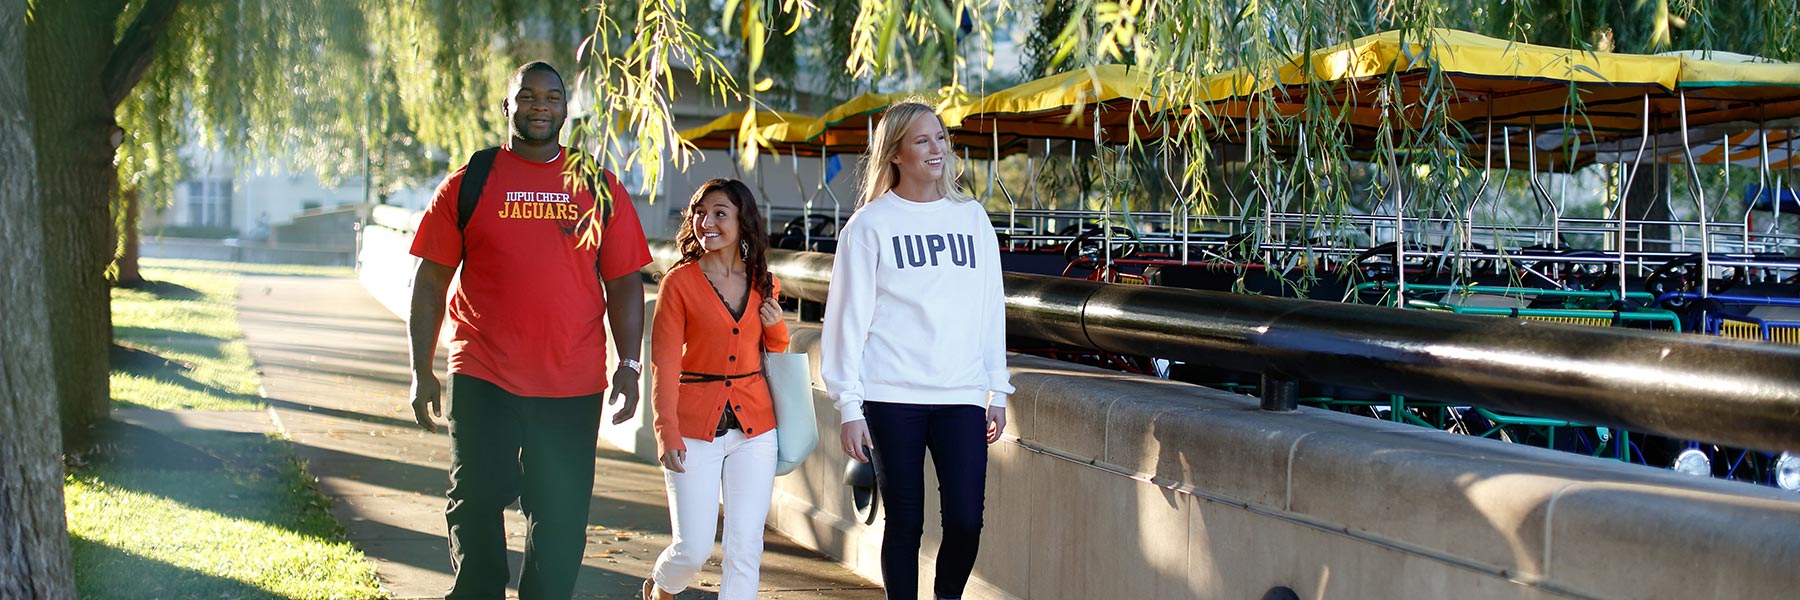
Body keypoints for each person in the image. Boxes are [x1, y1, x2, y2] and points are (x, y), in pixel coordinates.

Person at [407, 61, 651, 600]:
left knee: (560, 512)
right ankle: (476, 592)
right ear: (507, 107)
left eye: (552, 97)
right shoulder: (471, 181)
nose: (540, 105)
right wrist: (420, 368)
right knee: (474, 496)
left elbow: (625, 283)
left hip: (571, 378)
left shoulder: (597, 185)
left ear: (566, 109)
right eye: (528, 96)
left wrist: (630, 365)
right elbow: (430, 282)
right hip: (483, 370)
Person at [822, 101, 1013, 600]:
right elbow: (846, 322)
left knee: (967, 522)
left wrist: (999, 389)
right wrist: (848, 404)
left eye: (941, 138)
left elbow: (991, 310)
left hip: (962, 393)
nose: (937, 149)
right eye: (922, 141)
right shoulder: (869, 227)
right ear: (896, 155)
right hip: (890, 396)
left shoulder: (972, 219)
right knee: (905, 521)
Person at [640, 178, 790, 600]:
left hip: (755, 429)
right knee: (694, 548)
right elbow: (664, 363)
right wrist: (665, 429)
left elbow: (775, 350)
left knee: (745, 547)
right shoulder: (679, 283)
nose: (707, 222)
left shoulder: (765, 281)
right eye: (700, 213)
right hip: (691, 428)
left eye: (720, 213)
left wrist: (776, 325)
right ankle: (663, 585)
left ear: (743, 222)